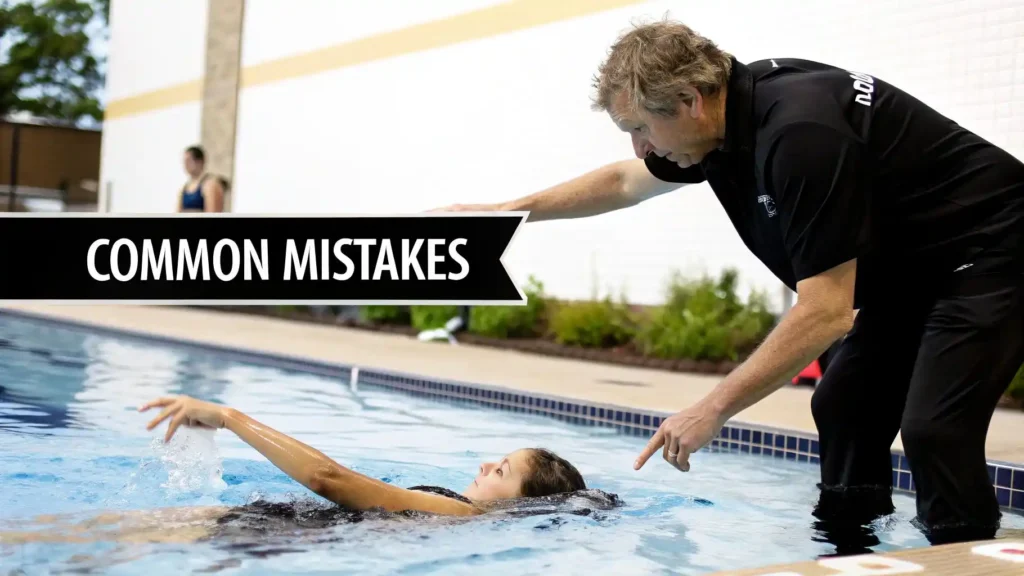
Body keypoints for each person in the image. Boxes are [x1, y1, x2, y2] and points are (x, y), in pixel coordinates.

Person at [433, 19, 1024, 548]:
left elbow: (826, 313)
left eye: (640, 127)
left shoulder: (799, 135)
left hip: (997, 247)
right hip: (917, 269)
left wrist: (710, 409)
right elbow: (622, 181)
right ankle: (849, 550)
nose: (640, 146)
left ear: (688, 99)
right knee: (843, 404)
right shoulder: (721, 126)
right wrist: (513, 210)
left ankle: (964, 558)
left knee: (934, 429)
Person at [0, 395, 601, 545]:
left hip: (256, 533)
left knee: (55, 538)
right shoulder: (459, 514)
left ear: (519, 501)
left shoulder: (464, 516)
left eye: (502, 469)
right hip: (263, 530)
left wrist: (229, 416)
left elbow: (328, 481)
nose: (485, 463)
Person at [177, 145, 225, 212]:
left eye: (188, 161)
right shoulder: (184, 188)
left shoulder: (210, 185)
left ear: (199, 161)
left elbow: (213, 213)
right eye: (184, 161)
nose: (185, 165)